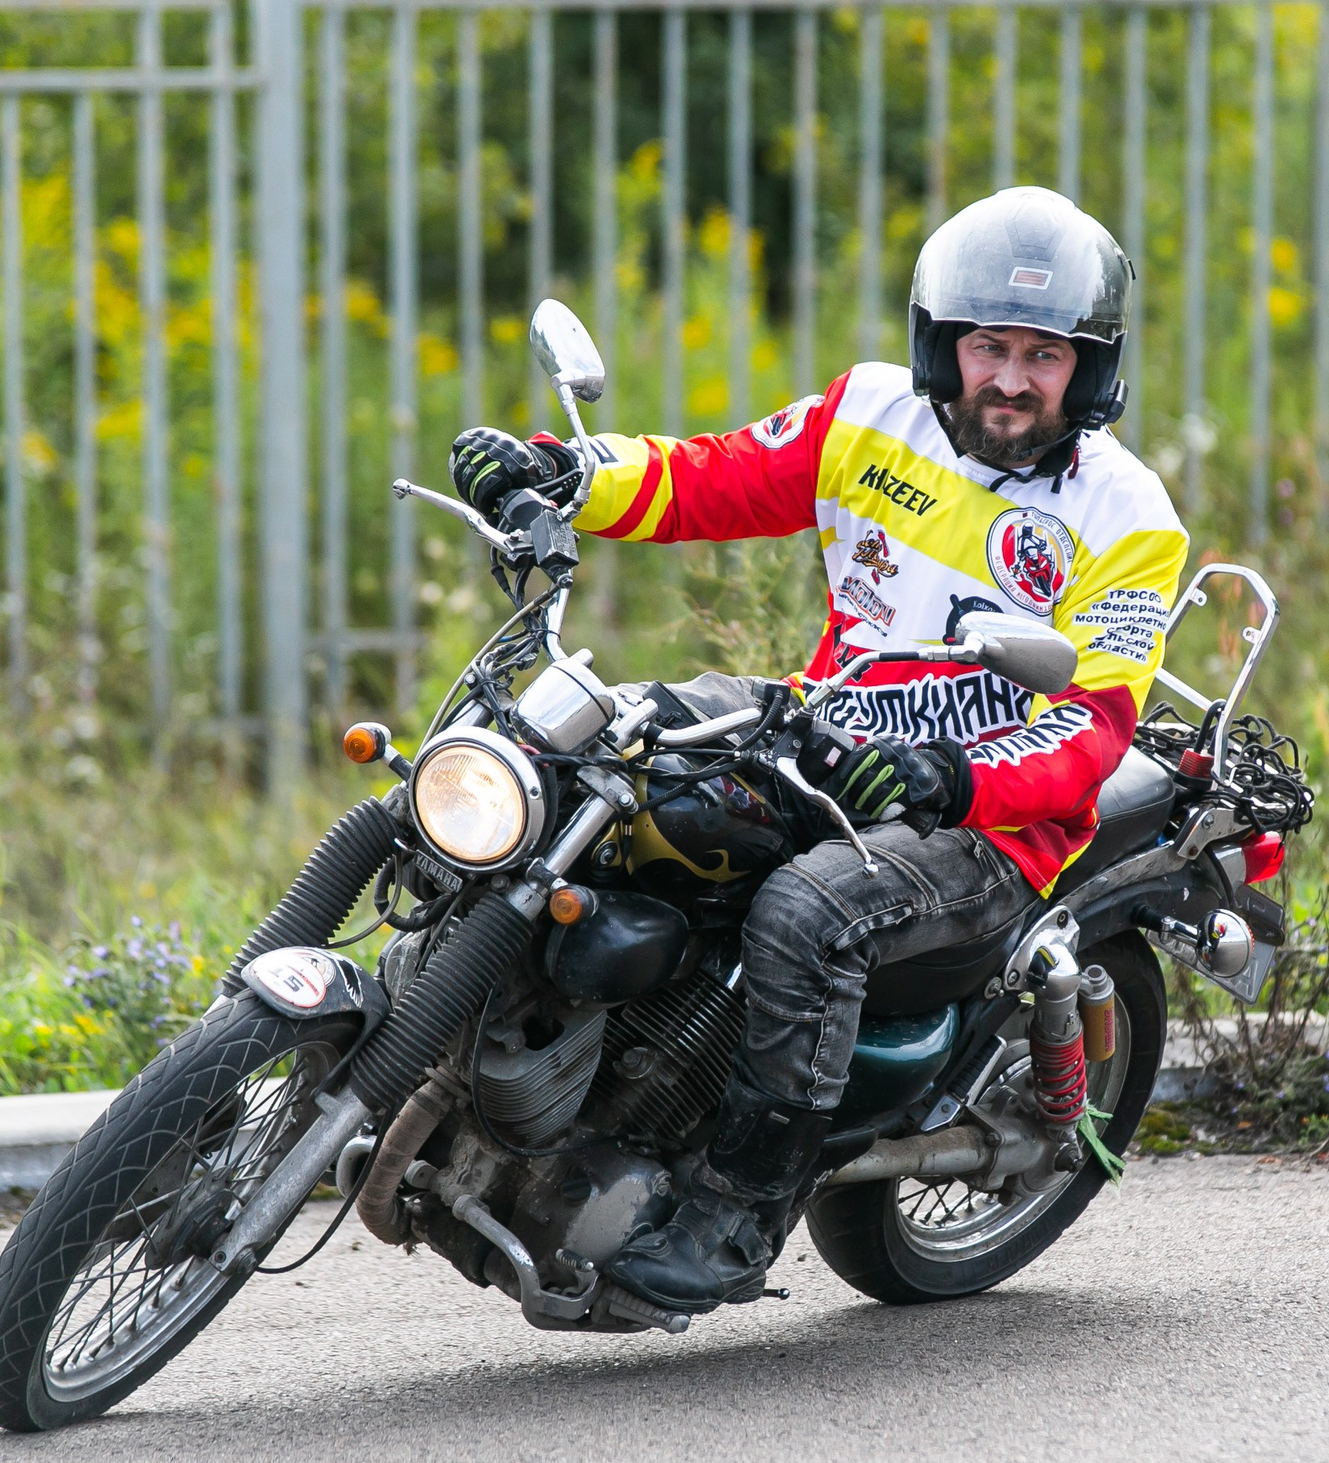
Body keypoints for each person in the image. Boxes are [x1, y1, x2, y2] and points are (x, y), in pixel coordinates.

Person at [444, 186, 1188, 1315]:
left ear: (1091, 370)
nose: (1011, 378)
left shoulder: (1126, 516)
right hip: (824, 720)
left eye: (1047, 355)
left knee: (807, 911)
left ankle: (736, 1213)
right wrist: (566, 477)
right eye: (990, 345)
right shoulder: (869, 414)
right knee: (577, 740)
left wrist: (958, 777)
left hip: (989, 821)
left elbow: (1088, 731)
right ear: (944, 342)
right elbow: (712, 476)